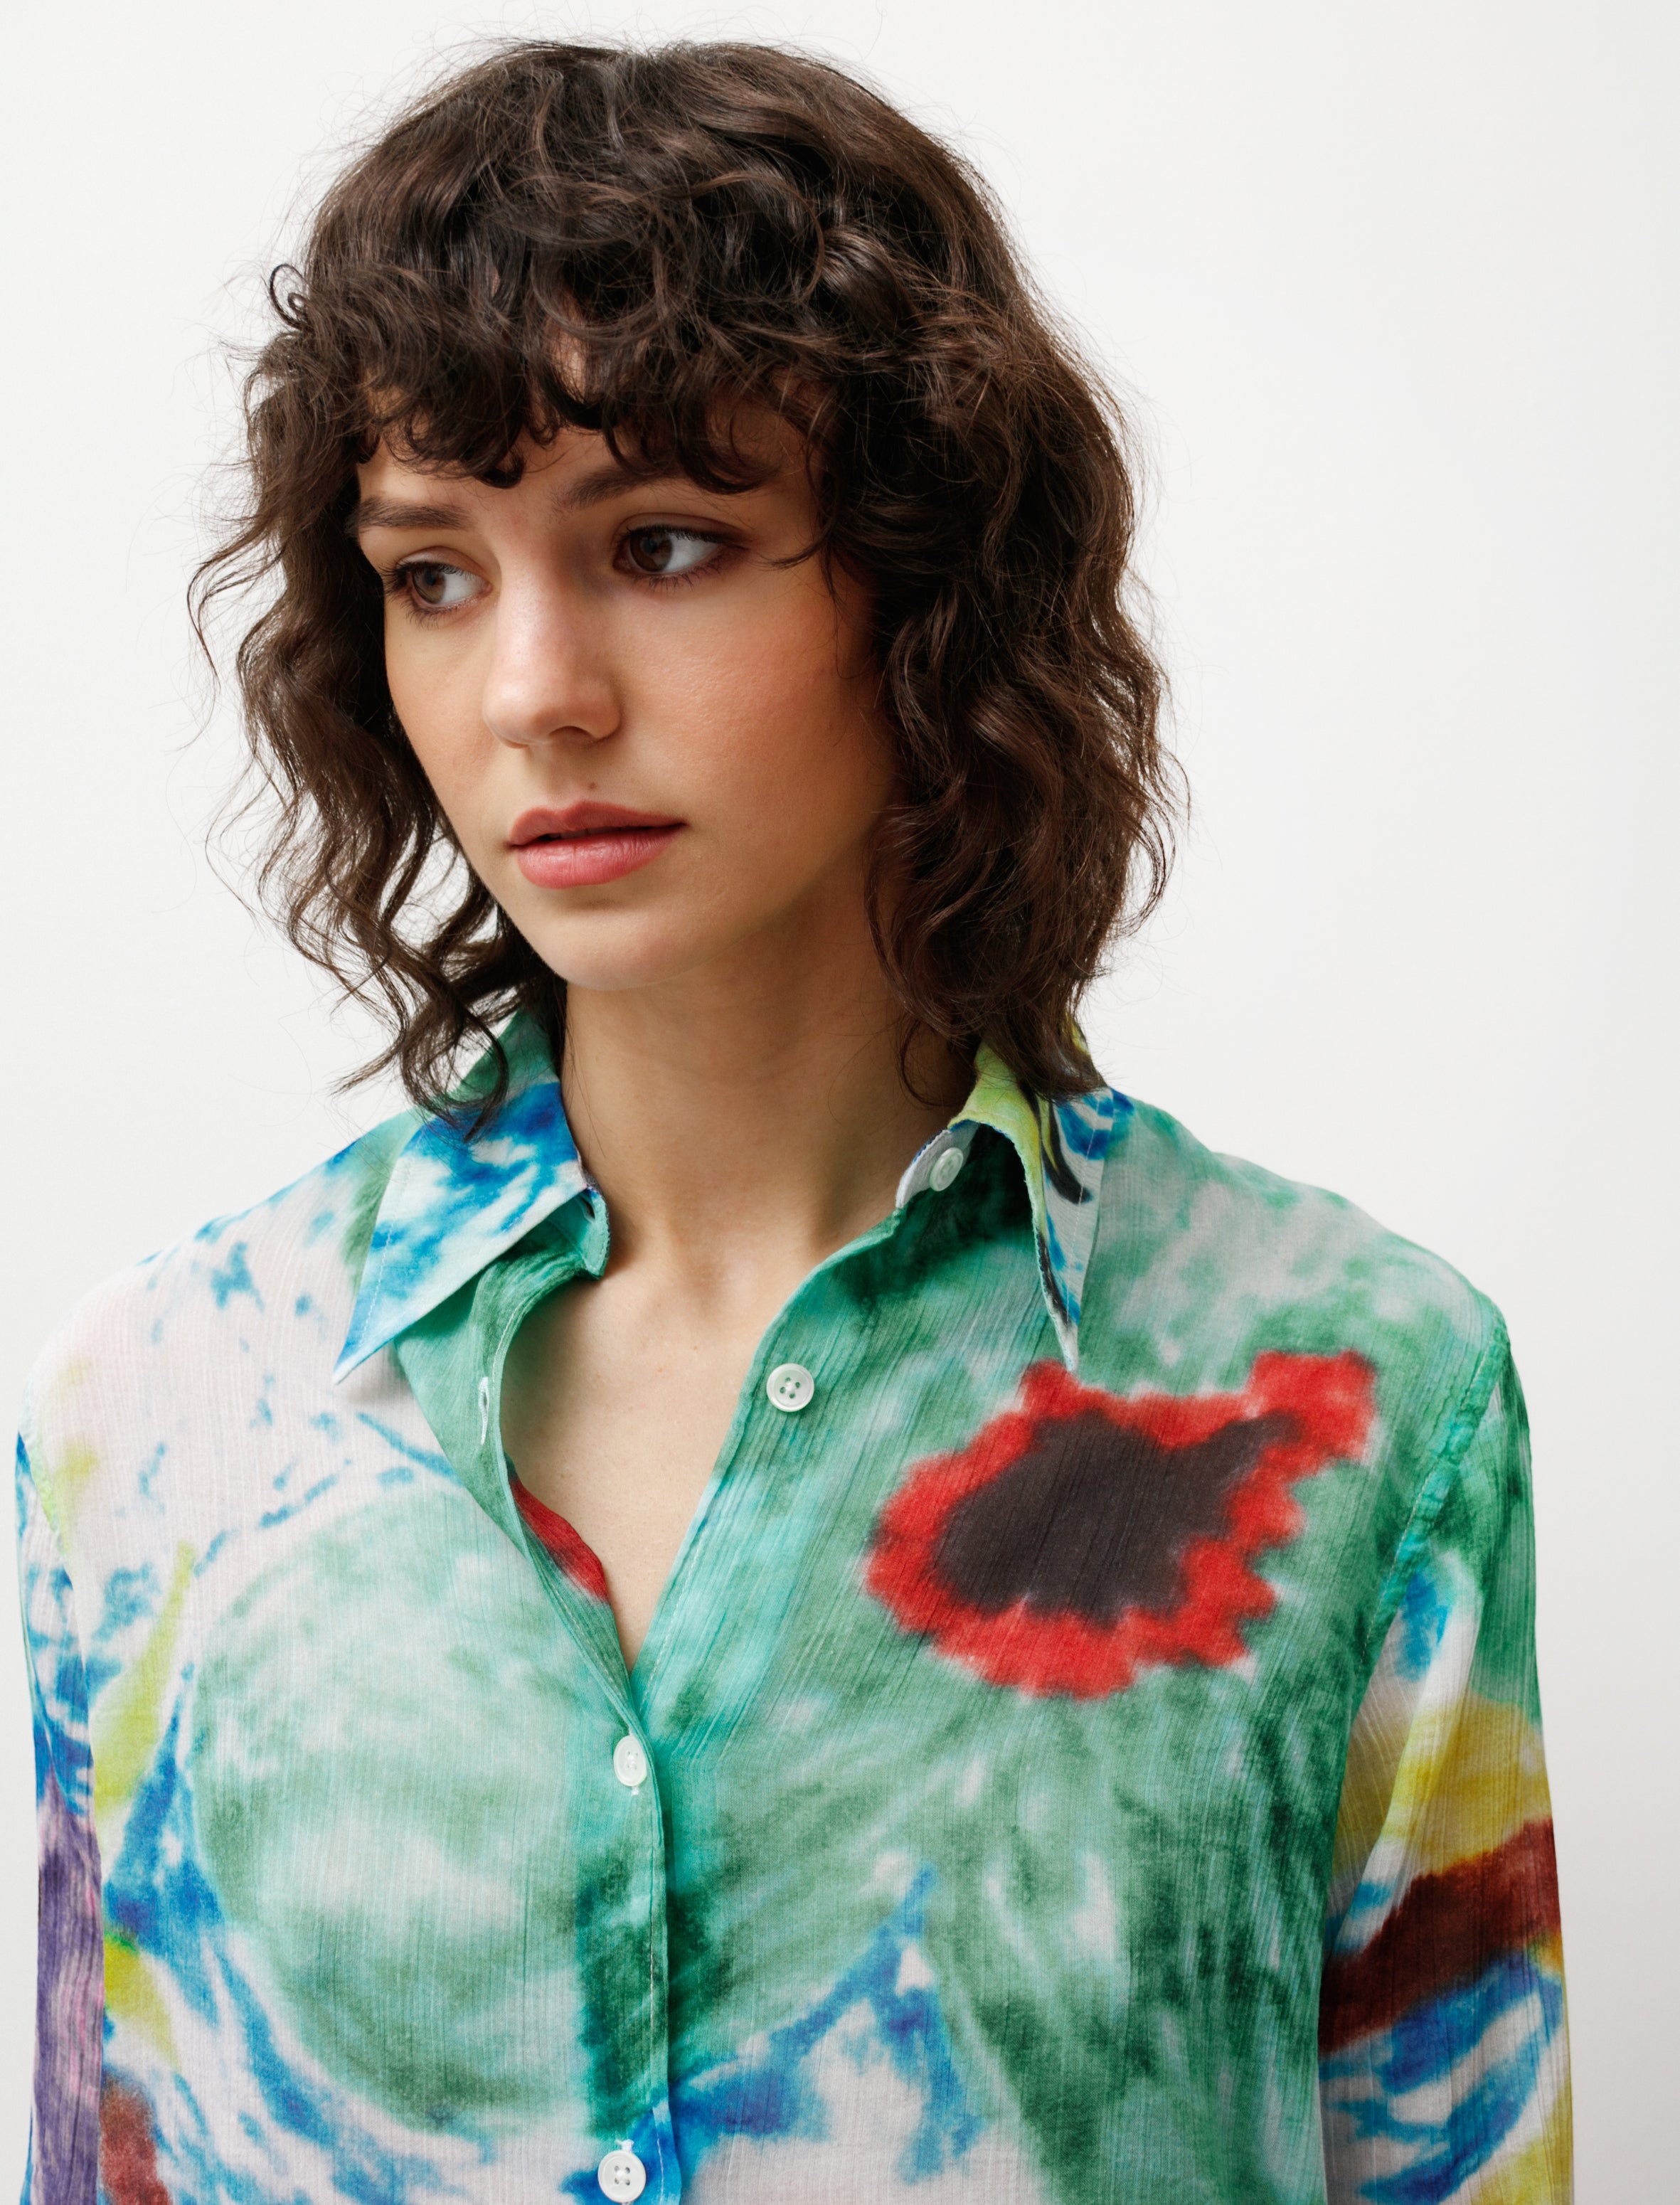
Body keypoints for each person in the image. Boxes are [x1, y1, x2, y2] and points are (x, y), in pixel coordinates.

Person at [13, 37, 1570, 2205]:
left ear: (929, 587)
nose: (532, 691)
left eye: (661, 544)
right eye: (433, 573)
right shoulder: (163, 1408)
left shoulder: (1352, 1393)